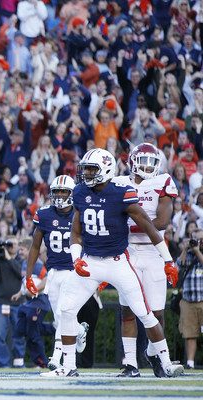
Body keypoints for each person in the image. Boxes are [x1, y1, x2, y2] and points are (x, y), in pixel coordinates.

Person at [42, 148, 183, 378]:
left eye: (91, 169)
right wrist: (76, 259)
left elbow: (149, 225)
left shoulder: (121, 192)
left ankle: (166, 362)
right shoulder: (79, 192)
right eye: (85, 169)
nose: (86, 173)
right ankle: (68, 367)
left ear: (105, 169)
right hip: (90, 261)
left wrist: (168, 260)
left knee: (145, 313)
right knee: (66, 309)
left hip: (118, 262)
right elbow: (75, 232)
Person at [114, 143, 178, 377]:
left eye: (151, 162)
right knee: (128, 311)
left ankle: (153, 353)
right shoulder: (120, 183)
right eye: (142, 161)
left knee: (157, 313)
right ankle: (130, 363)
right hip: (128, 252)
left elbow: (161, 222)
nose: (147, 167)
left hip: (153, 252)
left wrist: (125, 224)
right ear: (131, 162)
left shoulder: (163, 182)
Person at [25, 175, 89, 370]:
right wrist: (28, 276)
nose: (60, 195)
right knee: (59, 318)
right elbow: (35, 247)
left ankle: (55, 358)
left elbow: (90, 245)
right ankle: (79, 330)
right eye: (57, 192)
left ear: (71, 193)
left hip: (73, 271)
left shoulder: (80, 213)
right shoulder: (44, 214)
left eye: (64, 191)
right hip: (53, 272)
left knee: (63, 313)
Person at [0, 239, 26, 368]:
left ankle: (18, 362)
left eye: (12, 244)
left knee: (19, 333)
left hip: (18, 302)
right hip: (0, 302)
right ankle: (4, 364)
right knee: (0, 334)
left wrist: (9, 258)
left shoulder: (21, 260)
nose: (10, 247)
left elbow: (21, 273)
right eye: (8, 245)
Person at [177, 229, 203, 370]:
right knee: (189, 333)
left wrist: (197, 250)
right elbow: (178, 265)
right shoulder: (188, 254)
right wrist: (186, 250)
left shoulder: (199, 253)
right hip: (188, 301)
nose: (196, 242)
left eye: (199, 239)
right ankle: (190, 362)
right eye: (195, 239)